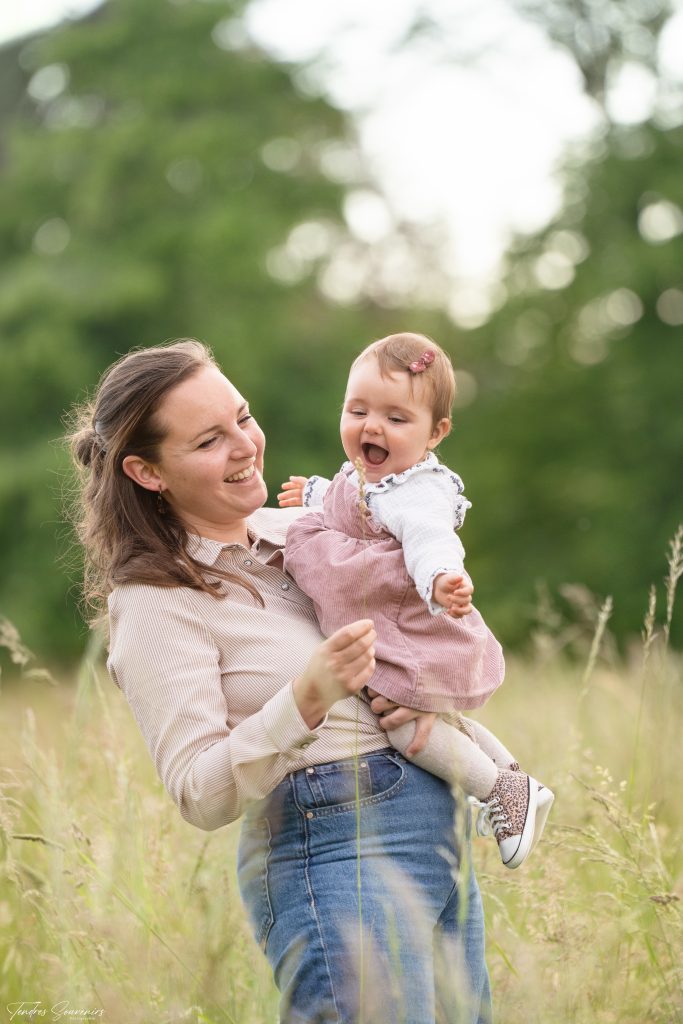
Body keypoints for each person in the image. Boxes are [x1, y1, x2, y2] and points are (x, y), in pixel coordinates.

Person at [68, 338, 492, 1024]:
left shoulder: (306, 529)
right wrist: (307, 698)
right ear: (147, 471)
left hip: (435, 832)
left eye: (242, 417)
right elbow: (198, 793)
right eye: (210, 439)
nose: (244, 446)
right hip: (333, 851)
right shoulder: (154, 602)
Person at [279, 332, 554, 870]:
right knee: (430, 717)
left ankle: (498, 789)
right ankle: (519, 784)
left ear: (436, 433)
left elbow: (430, 537)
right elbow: (351, 501)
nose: (372, 426)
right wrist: (312, 492)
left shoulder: (417, 491)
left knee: (403, 725)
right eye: (357, 410)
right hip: (394, 627)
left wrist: (441, 577)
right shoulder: (374, 475)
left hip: (414, 627)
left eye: (396, 419)